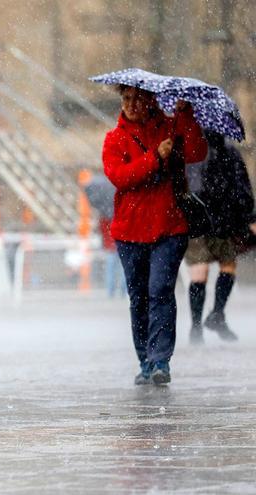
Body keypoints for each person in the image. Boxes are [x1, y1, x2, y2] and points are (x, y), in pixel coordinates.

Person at [102, 85, 208, 386]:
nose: (131, 104)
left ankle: (161, 360)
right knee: (139, 298)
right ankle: (145, 361)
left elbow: (197, 151)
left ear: (151, 100)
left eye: (138, 98)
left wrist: (185, 114)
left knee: (160, 290)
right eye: (126, 99)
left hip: (169, 226)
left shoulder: (170, 127)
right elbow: (121, 177)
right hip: (130, 231)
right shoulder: (114, 139)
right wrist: (155, 158)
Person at [185, 131, 254, 344]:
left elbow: (185, 184)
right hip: (222, 218)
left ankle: (197, 326)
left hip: (196, 217)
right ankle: (216, 314)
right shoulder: (227, 150)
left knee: (199, 271)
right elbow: (242, 187)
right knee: (227, 265)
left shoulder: (188, 149)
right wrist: (248, 216)